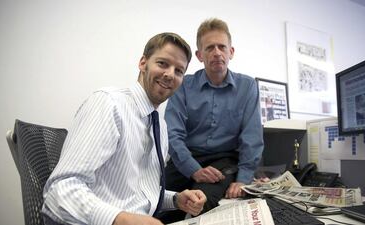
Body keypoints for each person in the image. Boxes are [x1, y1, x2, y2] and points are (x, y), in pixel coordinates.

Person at [42, 32, 207, 225]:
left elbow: (135, 194)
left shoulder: (159, 125)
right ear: (143, 63)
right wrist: (120, 219)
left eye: (179, 71)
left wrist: (176, 200)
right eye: (162, 63)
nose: (170, 74)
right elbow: (59, 191)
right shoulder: (109, 105)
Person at [159, 18, 264, 223]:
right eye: (209, 48)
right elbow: (172, 134)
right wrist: (194, 169)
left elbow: (251, 137)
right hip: (186, 157)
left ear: (231, 51)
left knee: (199, 201)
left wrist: (243, 179)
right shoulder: (183, 85)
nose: (217, 52)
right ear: (199, 55)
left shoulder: (248, 86)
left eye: (222, 46)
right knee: (157, 200)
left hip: (224, 161)